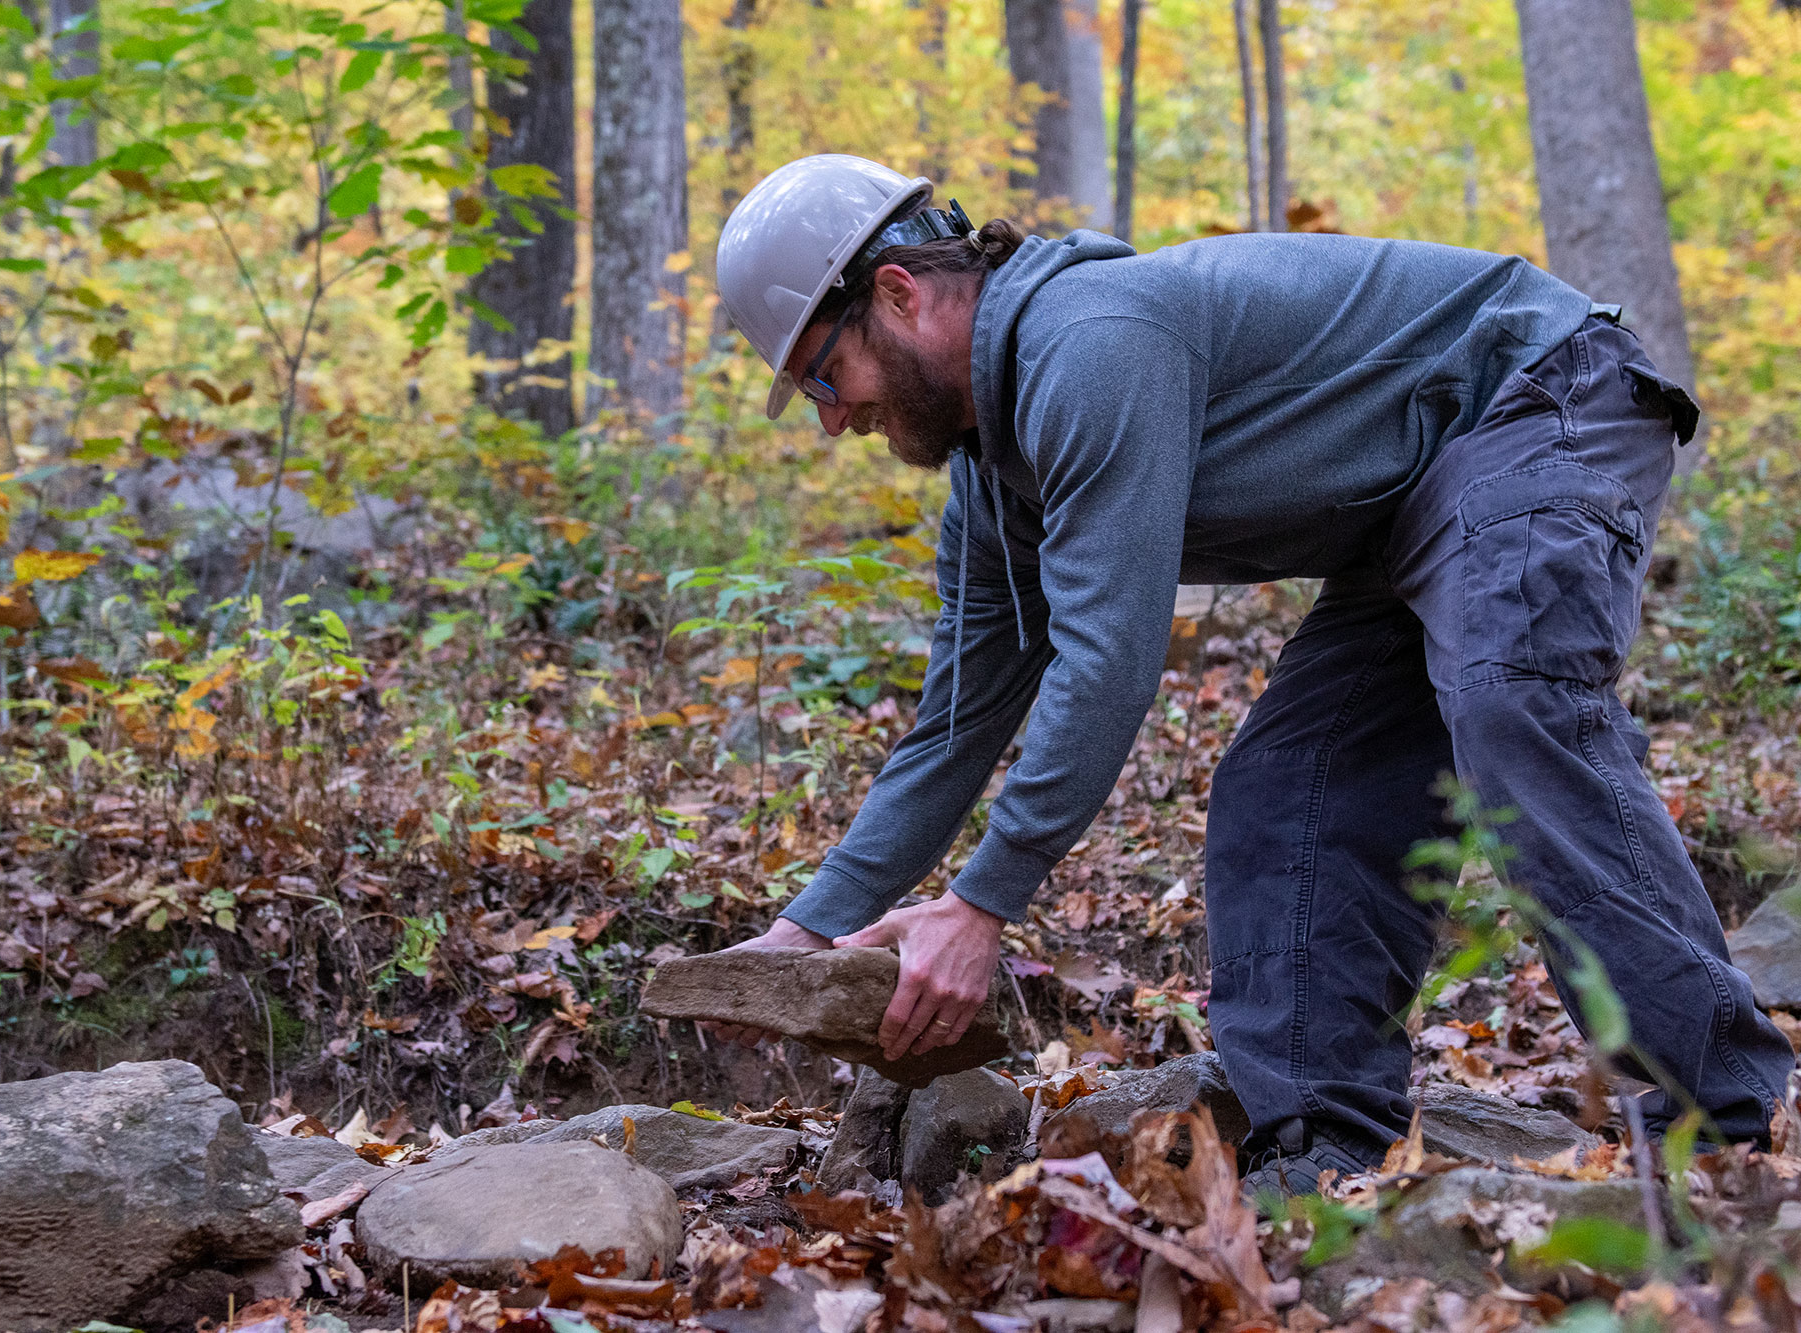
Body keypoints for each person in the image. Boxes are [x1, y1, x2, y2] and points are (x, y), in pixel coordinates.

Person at [706, 154, 1793, 1194]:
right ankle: (1327, 1141)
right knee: (1288, 791)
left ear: (896, 294)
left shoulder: (1087, 344)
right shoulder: (996, 494)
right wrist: (807, 927)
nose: (833, 417)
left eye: (820, 372)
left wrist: (980, 902)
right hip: (1411, 508)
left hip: (1541, 396)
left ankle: (1718, 1116)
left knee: (1513, 703)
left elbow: (1107, 662)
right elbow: (955, 723)